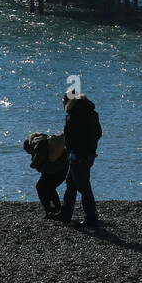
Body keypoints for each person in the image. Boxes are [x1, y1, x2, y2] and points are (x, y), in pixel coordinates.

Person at [56, 94, 102, 228]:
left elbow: (72, 137)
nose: (63, 104)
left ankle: (91, 217)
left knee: (83, 186)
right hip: (88, 154)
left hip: (79, 156)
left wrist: (74, 151)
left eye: (64, 101)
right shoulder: (91, 113)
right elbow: (98, 133)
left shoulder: (74, 115)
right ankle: (66, 213)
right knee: (71, 183)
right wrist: (90, 149)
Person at [24, 132, 69, 217]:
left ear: (29, 147)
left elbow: (40, 155)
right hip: (63, 167)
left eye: (29, 152)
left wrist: (33, 164)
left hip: (55, 170)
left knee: (40, 187)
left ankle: (49, 210)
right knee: (50, 188)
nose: (30, 154)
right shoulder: (44, 139)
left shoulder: (38, 143)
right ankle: (57, 209)